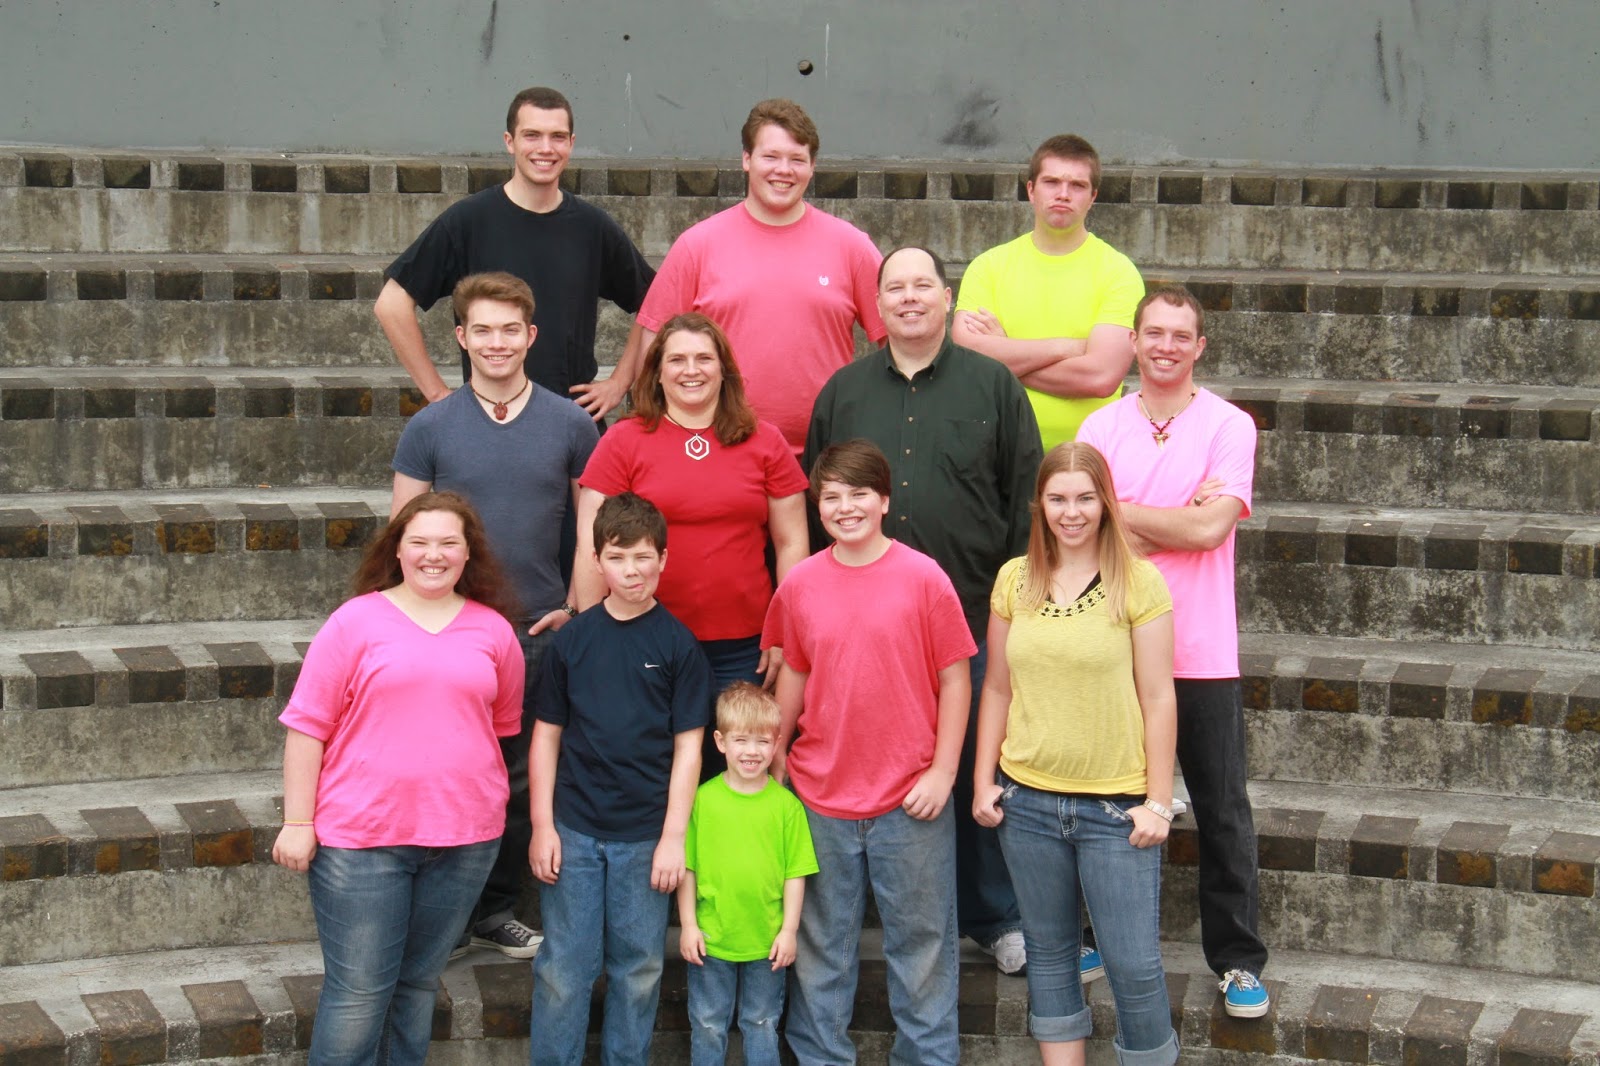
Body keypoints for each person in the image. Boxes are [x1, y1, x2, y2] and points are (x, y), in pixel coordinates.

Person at [803, 245, 1042, 975]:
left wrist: (1015, 602)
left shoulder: (994, 386)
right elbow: (819, 504)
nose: (909, 298)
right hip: (861, 621)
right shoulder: (843, 392)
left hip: (970, 608)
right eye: (895, 288)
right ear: (876, 305)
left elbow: (1023, 497)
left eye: (923, 286)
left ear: (948, 298)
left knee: (973, 759)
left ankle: (995, 915)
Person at [272, 492, 524, 1066]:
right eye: (420, 542)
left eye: (448, 543)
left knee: (416, 985)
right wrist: (298, 821)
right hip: (362, 841)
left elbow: (500, 727)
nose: (434, 555)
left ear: (468, 553)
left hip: (464, 842)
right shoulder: (354, 622)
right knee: (359, 993)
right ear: (398, 549)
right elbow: (307, 727)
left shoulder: (494, 632)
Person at [390, 272, 598, 959]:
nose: (497, 342)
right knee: (446, 771)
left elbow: (592, 526)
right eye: (482, 329)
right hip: (451, 632)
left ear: (531, 336)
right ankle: (444, 918)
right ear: (461, 337)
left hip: (534, 629)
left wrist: (576, 608)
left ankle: (496, 909)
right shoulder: (431, 426)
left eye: (510, 329)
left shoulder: (571, 424)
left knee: (518, 777)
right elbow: (403, 533)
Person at [1077, 286, 1269, 1018]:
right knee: (1105, 800)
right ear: (1133, 340)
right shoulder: (1101, 425)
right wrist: (1176, 516)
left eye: (1180, 335)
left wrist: (1126, 515)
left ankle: (1239, 960)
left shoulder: (1229, 425)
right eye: (1153, 332)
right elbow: (1081, 528)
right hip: (1116, 643)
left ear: (1200, 346)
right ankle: (1096, 936)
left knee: (1221, 809)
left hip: (1201, 650)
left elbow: (1210, 531)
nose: (1165, 346)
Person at [762, 439, 974, 1066]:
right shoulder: (801, 583)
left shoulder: (923, 577)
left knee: (922, 947)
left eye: (859, 494)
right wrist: (778, 746)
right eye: (831, 496)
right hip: (820, 794)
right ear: (816, 506)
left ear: (884, 499)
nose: (845, 507)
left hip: (910, 797)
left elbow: (956, 679)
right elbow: (796, 668)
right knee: (820, 948)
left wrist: (944, 771)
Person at [972, 442, 1179, 1066]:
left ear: (1106, 503)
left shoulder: (1138, 581)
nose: (1072, 512)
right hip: (1027, 802)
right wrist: (983, 780)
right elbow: (998, 687)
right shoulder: (1015, 579)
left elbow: (1159, 696)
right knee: (1050, 955)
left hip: (1115, 809)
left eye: (1085, 498)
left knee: (1133, 965)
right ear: (1040, 504)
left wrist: (1159, 802)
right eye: (1058, 498)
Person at [575, 313, 809, 776]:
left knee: (736, 775)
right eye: (677, 359)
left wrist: (786, 633)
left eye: (704, 358)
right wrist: (596, 633)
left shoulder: (765, 441)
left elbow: (791, 543)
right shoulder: (624, 441)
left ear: (724, 369)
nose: (691, 370)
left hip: (744, 649)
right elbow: (590, 548)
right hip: (645, 639)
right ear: (657, 372)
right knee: (652, 770)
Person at [528, 492, 712, 1066]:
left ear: (663, 559)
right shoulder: (573, 640)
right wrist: (542, 826)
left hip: (645, 837)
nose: (631, 570)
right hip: (574, 830)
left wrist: (674, 837)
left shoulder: (679, 646)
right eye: (617, 557)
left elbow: (689, 749)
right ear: (596, 560)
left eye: (642, 556)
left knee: (639, 968)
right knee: (564, 968)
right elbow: (546, 736)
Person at [376, 85, 654, 419]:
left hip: (571, 421)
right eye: (532, 135)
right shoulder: (468, 221)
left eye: (557, 137)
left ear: (571, 143)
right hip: (488, 420)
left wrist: (620, 381)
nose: (545, 148)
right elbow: (391, 304)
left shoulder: (592, 226)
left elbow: (656, 301)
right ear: (510, 142)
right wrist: (437, 394)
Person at [633, 98, 885, 453]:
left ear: (812, 166)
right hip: (721, 450)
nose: (784, 170)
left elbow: (896, 339)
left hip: (827, 457)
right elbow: (653, 344)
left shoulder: (851, 246)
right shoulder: (697, 245)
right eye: (771, 156)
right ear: (746, 159)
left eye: (797, 159)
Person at [952, 134, 1144, 450]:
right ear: (1031, 189)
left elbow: (1100, 378)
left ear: (1093, 196)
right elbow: (968, 361)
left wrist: (1004, 355)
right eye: (1051, 182)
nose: (1063, 194)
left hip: (1085, 457)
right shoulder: (988, 267)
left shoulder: (1119, 273)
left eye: (1077, 185)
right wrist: (1067, 347)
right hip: (996, 453)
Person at [678, 682, 819, 1066]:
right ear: (720, 742)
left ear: (776, 745)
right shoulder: (702, 800)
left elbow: (795, 874)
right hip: (711, 940)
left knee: (761, 1022)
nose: (752, 751)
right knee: (708, 1024)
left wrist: (789, 931)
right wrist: (688, 925)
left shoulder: (786, 807)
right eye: (741, 740)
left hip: (766, 941)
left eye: (762, 741)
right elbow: (688, 868)